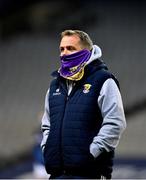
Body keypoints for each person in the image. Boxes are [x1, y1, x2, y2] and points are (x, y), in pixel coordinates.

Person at [41, 29, 126, 179]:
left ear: (87, 51)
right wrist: (47, 149)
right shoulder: (55, 86)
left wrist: (91, 152)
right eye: (62, 49)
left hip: (89, 174)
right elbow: (47, 125)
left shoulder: (104, 81)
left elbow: (115, 123)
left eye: (71, 48)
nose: (64, 53)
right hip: (57, 174)